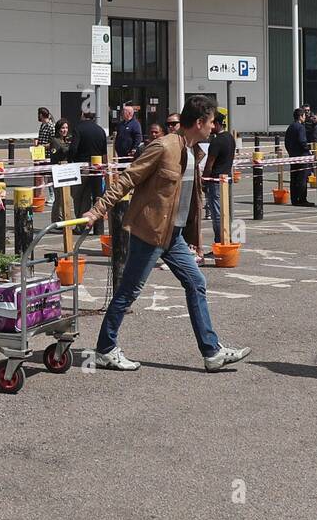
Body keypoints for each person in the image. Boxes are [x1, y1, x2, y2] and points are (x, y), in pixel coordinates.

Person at [82, 95, 250, 373]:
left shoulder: (193, 151)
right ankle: (105, 349)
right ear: (198, 122)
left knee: (196, 282)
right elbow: (127, 178)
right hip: (150, 233)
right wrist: (96, 211)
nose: (213, 127)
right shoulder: (163, 147)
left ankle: (212, 352)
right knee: (129, 291)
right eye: (211, 123)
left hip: (174, 236)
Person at [69, 111, 109, 216]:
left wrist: (70, 161)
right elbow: (104, 152)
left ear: (82, 115)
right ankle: (97, 226)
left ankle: (81, 223)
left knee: (79, 196)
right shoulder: (101, 131)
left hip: (82, 167)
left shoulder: (78, 129)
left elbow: (73, 149)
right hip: (97, 167)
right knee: (97, 196)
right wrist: (105, 167)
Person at [203, 112, 236, 238]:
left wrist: (204, 180)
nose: (210, 127)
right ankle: (228, 238)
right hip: (227, 178)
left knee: (217, 213)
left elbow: (209, 163)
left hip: (215, 180)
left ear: (217, 124)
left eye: (211, 123)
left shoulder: (216, 142)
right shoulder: (230, 138)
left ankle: (220, 240)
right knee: (225, 211)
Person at [284, 108, 312, 207]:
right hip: (302, 156)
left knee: (294, 178)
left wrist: (291, 152)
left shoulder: (290, 127)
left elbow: (286, 142)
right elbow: (302, 141)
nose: (305, 117)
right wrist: (308, 149)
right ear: (300, 116)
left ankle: (294, 199)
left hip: (293, 156)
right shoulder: (300, 127)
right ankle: (302, 199)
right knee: (302, 178)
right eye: (304, 115)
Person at [48, 118, 72, 222]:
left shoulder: (66, 140)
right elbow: (57, 153)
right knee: (58, 197)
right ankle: (56, 220)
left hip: (66, 170)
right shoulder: (55, 140)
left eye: (66, 128)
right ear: (58, 129)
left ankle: (61, 218)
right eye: (62, 128)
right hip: (57, 171)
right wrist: (69, 147)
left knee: (64, 196)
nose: (64, 130)